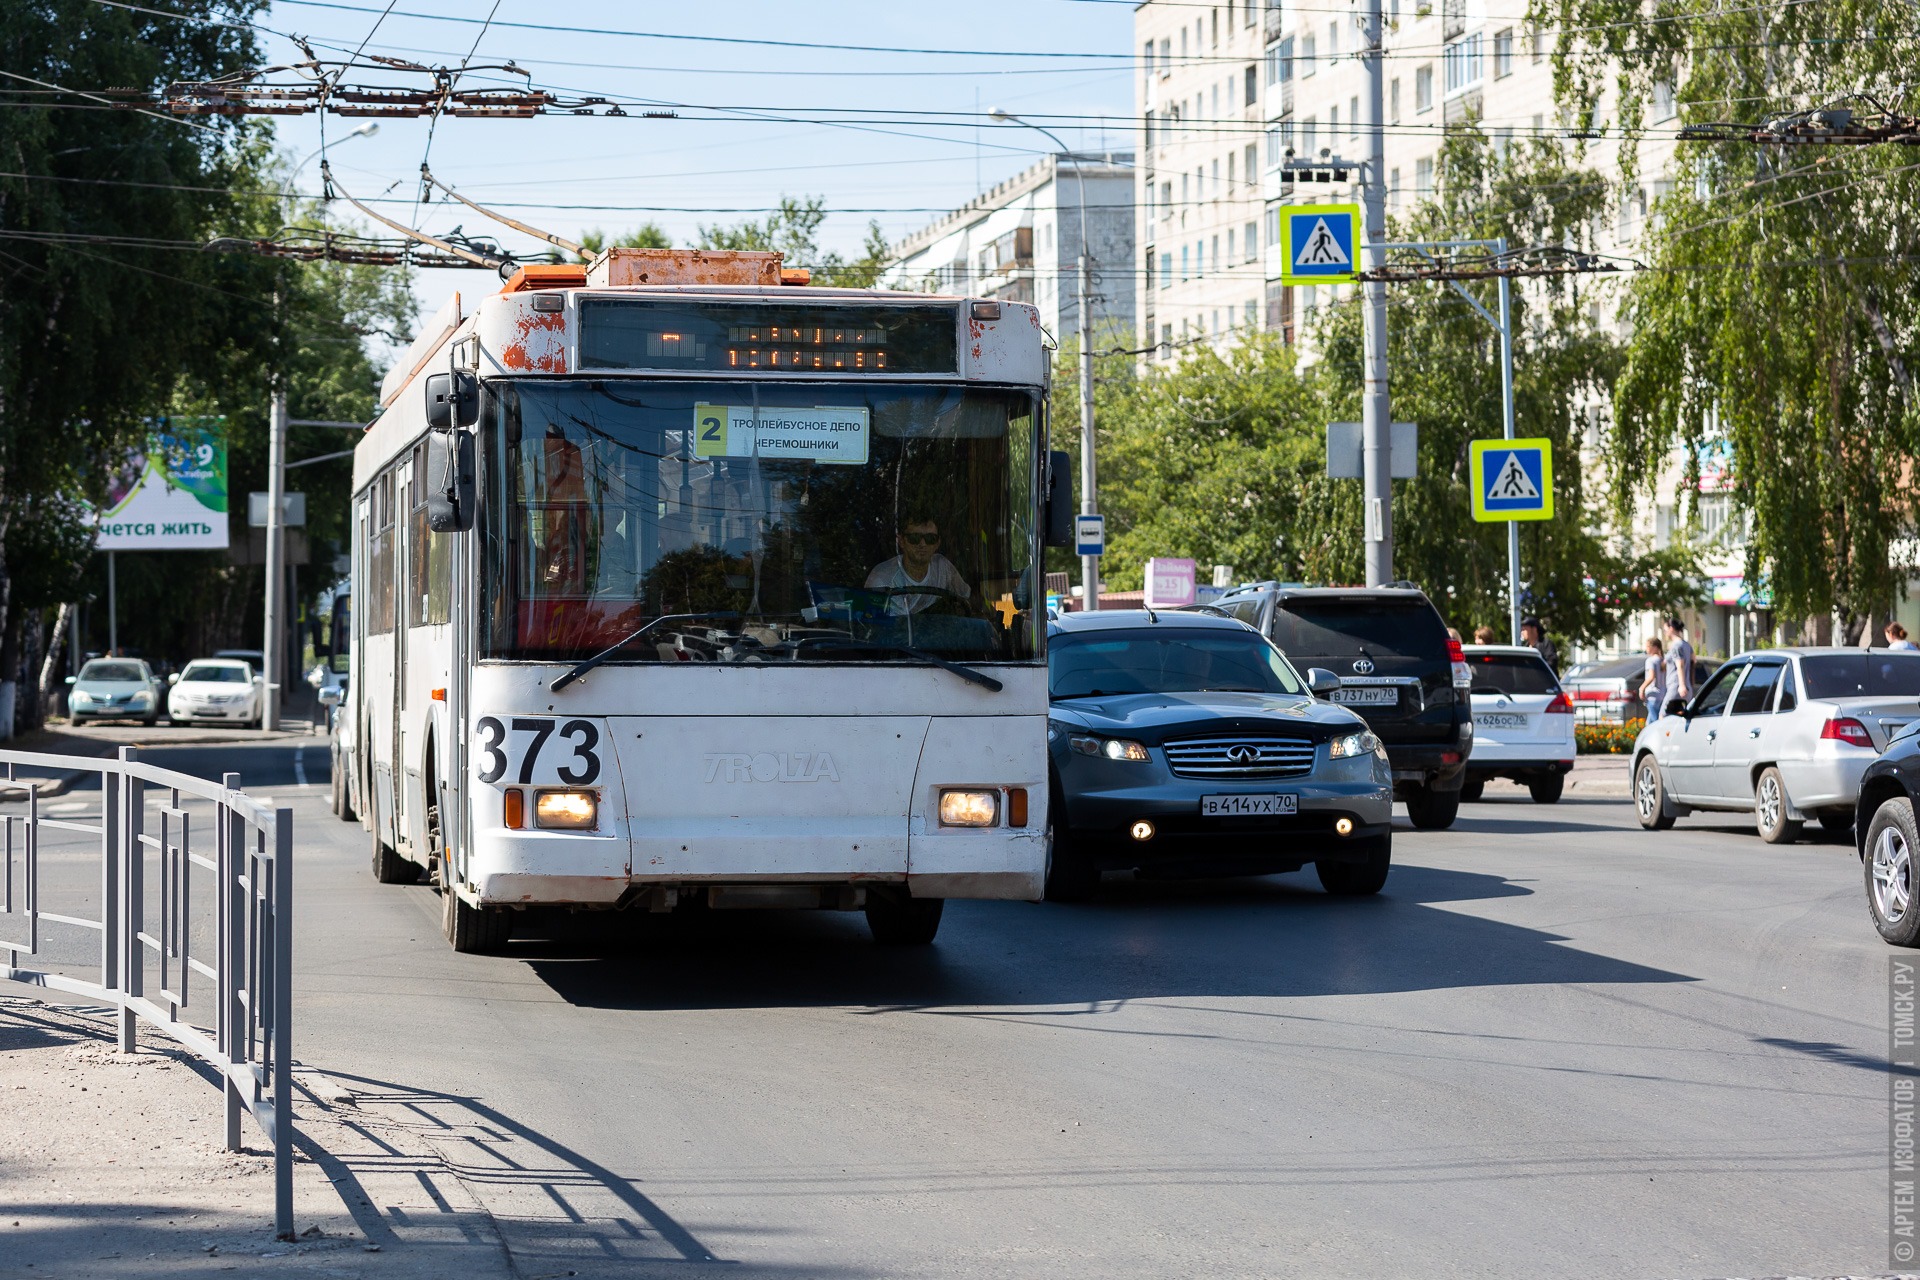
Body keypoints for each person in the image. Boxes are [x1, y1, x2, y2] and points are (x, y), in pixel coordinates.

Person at [865, 514, 971, 616]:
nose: (923, 544)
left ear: (937, 543)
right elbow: (890, 629)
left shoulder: (943, 567)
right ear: (901, 541)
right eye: (914, 538)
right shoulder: (883, 581)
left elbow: (967, 599)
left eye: (930, 539)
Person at [1664, 617, 1695, 704]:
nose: (1665, 633)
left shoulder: (1676, 645)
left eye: (1665, 630)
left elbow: (1680, 664)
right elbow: (1694, 660)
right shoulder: (1686, 645)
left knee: (1663, 715)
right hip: (1687, 685)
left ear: (1671, 628)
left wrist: (1682, 685)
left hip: (1676, 685)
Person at [1638, 636, 1667, 721]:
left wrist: (1642, 688)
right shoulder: (1662, 660)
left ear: (1655, 647)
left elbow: (1651, 677)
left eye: (1648, 646)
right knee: (1651, 722)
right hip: (1662, 694)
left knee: (1654, 722)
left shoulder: (1651, 661)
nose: (1646, 649)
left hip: (1653, 695)